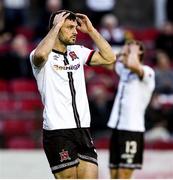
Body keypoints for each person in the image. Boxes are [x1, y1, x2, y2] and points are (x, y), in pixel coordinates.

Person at [29, 10, 115, 179]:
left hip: (83, 129)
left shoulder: (78, 51)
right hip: (58, 131)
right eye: (69, 27)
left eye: (75, 27)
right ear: (56, 28)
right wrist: (57, 26)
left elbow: (109, 58)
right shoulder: (40, 56)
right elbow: (40, 55)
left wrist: (91, 30)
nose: (75, 31)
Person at [106, 40, 155, 179]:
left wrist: (131, 51)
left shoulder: (147, 72)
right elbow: (109, 63)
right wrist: (122, 53)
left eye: (133, 47)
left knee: (124, 174)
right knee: (114, 173)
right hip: (117, 126)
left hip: (132, 129)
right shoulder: (124, 70)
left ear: (140, 52)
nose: (129, 48)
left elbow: (133, 64)